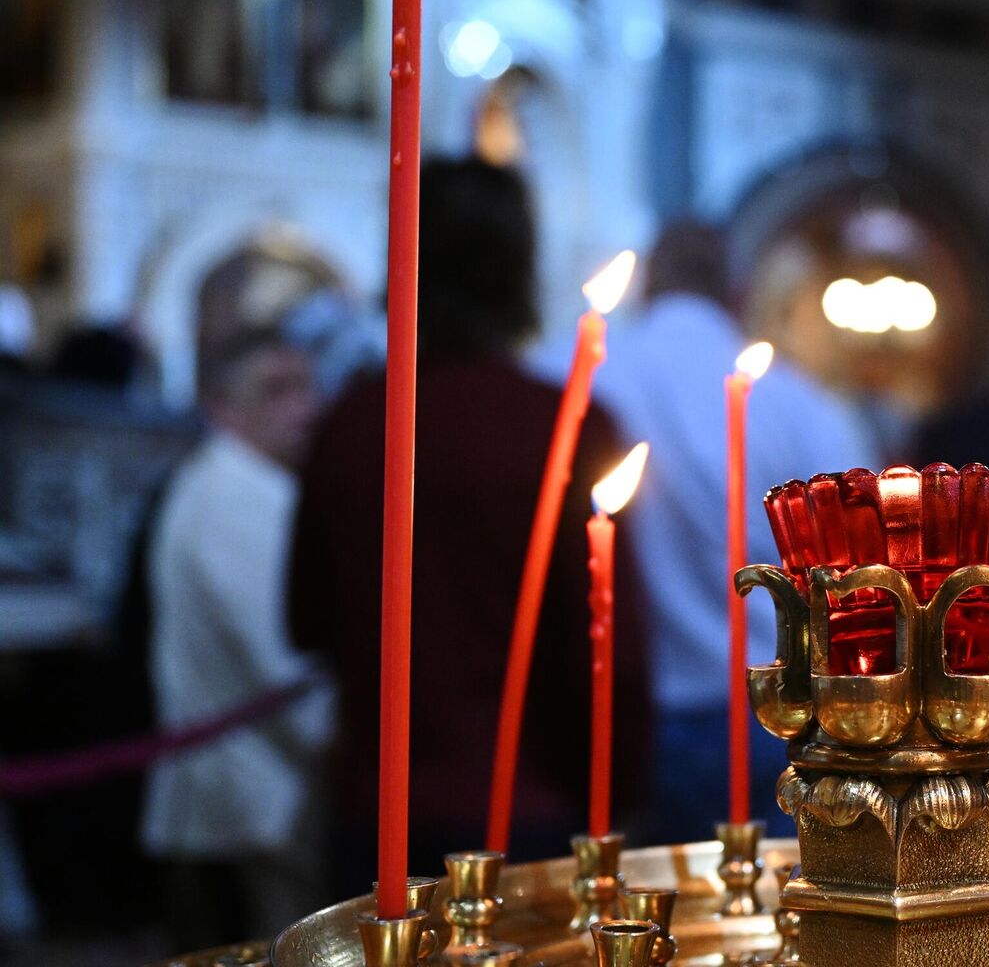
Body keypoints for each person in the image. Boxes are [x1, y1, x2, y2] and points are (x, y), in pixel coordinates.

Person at [289, 158, 648, 887]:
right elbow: (606, 652)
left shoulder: (355, 421)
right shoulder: (565, 425)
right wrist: (625, 797)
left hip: (376, 813)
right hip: (526, 813)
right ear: (519, 266)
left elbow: (303, 619)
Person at [533, 222, 875, 841]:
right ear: (738, 293)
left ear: (648, 286)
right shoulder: (798, 403)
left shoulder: (566, 372)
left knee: (627, 913)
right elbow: (859, 563)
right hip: (766, 704)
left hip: (614, 709)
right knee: (765, 912)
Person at [142, 325, 333, 950]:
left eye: (307, 386)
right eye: (276, 390)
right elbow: (282, 664)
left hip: (260, 787)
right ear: (221, 406)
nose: (303, 408)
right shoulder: (232, 497)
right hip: (256, 799)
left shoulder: (248, 486)